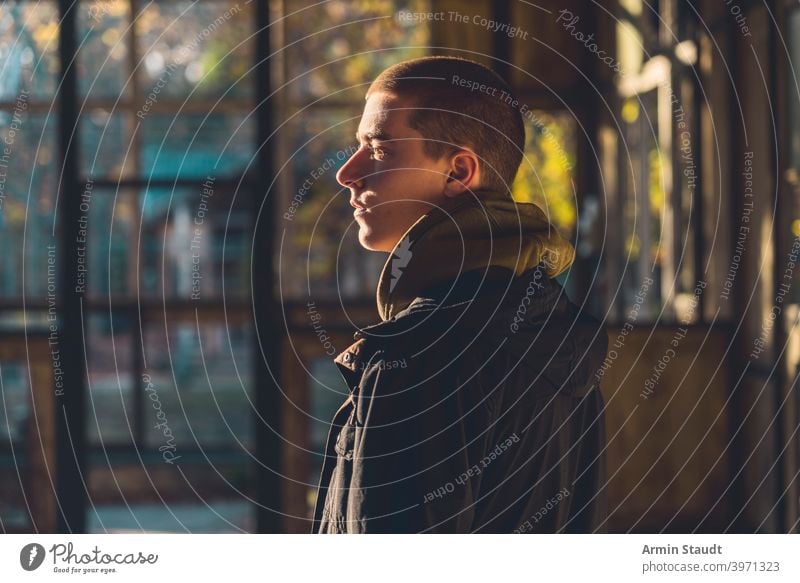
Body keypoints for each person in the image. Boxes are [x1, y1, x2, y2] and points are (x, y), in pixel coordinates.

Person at [311, 56, 609, 534]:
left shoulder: (422, 354)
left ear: (458, 172)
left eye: (379, 147)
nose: (348, 173)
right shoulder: (552, 328)